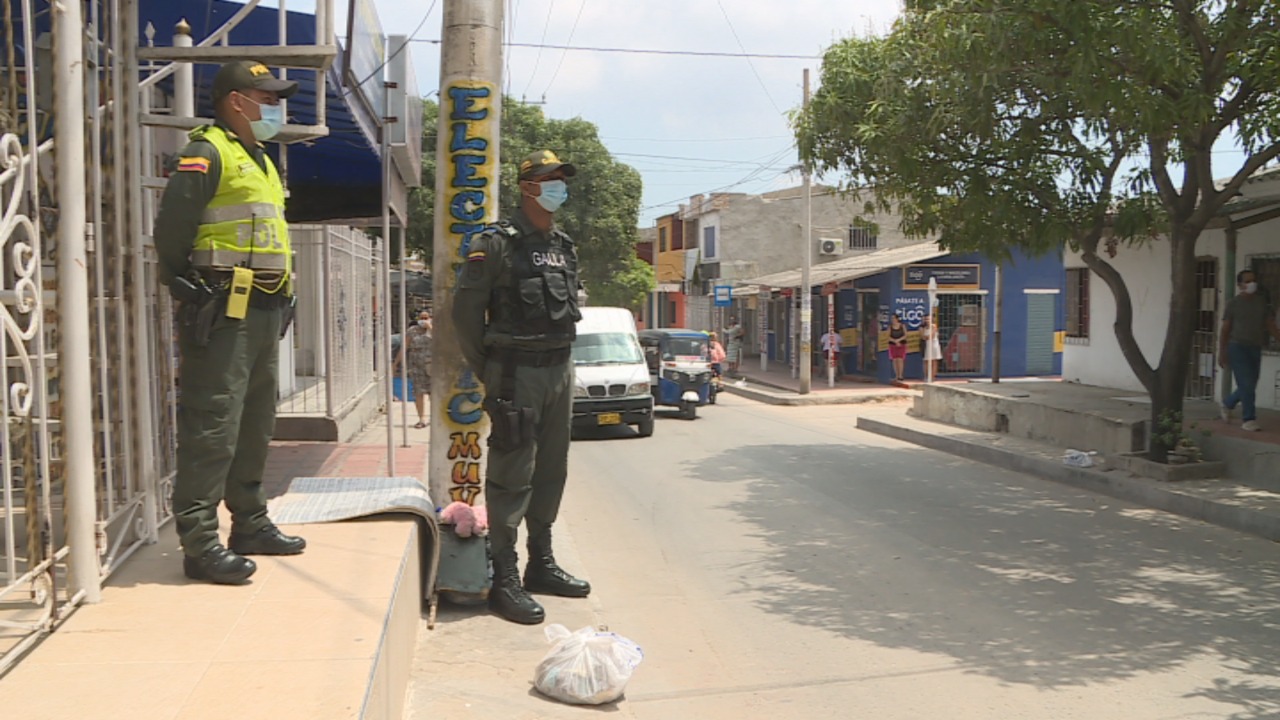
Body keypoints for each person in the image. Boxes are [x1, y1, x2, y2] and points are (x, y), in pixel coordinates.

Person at [154, 60, 306, 585]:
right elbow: (172, 230)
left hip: (264, 308)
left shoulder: (259, 158)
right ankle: (199, 544)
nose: (274, 107)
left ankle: (250, 522)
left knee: (255, 422)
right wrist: (183, 286)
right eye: (265, 97)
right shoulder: (206, 152)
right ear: (236, 101)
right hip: (221, 308)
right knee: (212, 423)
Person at [452, 150, 590, 624]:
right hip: (516, 372)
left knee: (552, 469)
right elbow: (465, 315)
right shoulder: (494, 243)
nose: (559, 187)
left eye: (561, 180)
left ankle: (541, 564)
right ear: (528, 186)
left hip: (559, 369)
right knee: (512, 473)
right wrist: (489, 368)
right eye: (550, 180)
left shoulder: (564, 245)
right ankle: (504, 576)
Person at [1219, 269, 1280, 431]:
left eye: (1253, 280)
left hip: (1255, 347)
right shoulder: (1233, 304)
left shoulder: (1261, 302)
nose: (1251, 284)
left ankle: (1228, 403)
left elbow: (1270, 325)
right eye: (1247, 281)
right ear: (1240, 285)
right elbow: (1225, 329)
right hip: (1237, 347)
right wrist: (1222, 351)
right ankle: (1248, 419)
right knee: (1246, 383)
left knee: (1250, 384)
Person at [395, 310, 433, 428]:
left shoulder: (436, 329)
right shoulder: (412, 331)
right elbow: (405, 347)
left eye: (426, 317)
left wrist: (430, 328)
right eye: (421, 317)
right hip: (416, 365)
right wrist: (396, 363)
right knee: (418, 392)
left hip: (432, 365)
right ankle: (421, 419)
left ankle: (434, 417)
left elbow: (442, 342)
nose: (423, 320)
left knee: (434, 392)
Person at [887, 314, 907, 382]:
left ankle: (900, 375)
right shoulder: (890, 327)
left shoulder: (902, 326)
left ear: (897, 319)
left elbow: (905, 335)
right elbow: (888, 336)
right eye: (892, 318)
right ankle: (896, 375)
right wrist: (895, 341)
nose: (893, 320)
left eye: (894, 318)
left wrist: (899, 340)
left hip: (901, 344)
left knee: (900, 359)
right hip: (893, 345)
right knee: (894, 360)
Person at [922, 314, 942, 380]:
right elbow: (923, 337)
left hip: (933, 345)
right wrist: (926, 337)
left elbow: (932, 336)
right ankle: (927, 376)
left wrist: (927, 337)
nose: (927, 320)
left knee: (934, 360)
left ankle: (933, 376)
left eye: (928, 319)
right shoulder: (924, 328)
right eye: (926, 319)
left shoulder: (934, 326)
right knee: (926, 361)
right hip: (927, 345)